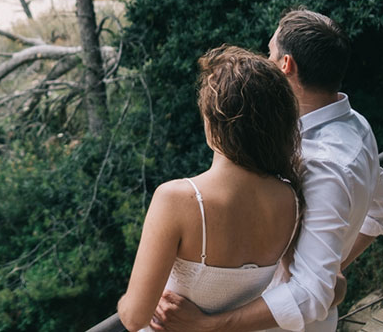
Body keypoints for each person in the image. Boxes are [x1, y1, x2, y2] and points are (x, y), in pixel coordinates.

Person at [153, 10, 383, 332]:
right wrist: (328, 267)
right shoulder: (358, 125)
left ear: (286, 64)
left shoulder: (319, 164)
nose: (266, 60)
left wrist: (208, 325)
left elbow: (310, 294)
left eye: (269, 52)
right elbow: (380, 210)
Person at [117, 45, 304, 332]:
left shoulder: (177, 199)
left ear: (213, 121)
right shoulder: (291, 197)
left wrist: (126, 302)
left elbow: (134, 317)